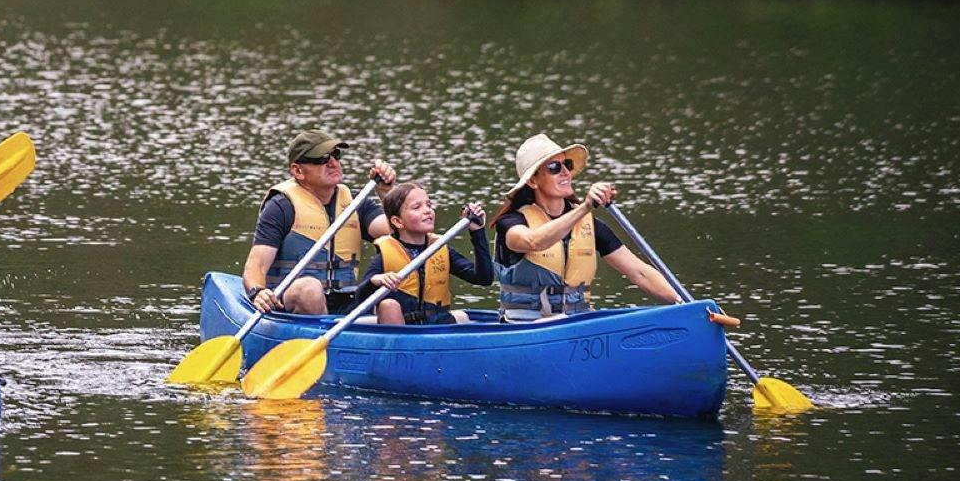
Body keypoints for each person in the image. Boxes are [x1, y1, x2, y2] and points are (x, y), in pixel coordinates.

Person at [492, 134, 678, 321]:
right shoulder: (511, 222)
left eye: (567, 165)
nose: (565, 172)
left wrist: (685, 303)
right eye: (554, 167)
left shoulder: (590, 226)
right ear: (533, 181)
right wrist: (585, 207)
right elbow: (533, 241)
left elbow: (640, 273)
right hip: (524, 324)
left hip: (577, 322)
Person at [243, 129, 396, 315]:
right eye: (322, 159)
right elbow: (256, 265)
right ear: (297, 171)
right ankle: (321, 337)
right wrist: (258, 291)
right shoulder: (281, 206)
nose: (333, 163)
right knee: (309, 289)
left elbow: (394, 233)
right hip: (291, 301)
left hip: (346, 299)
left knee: (391, 298)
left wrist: (386, 194)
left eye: (336, 155)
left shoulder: (355, 202)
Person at [361, 182, 493, 324]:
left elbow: (483, 278)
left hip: (437, 327)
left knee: (462, 317)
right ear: (398, 221)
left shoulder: (439, 247)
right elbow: (360, 297)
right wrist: (375, 280)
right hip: (404, 330)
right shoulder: (386, 253)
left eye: (429, 205)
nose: (427, 210)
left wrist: (477, 232)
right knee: (388, 306)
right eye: (417, 207)